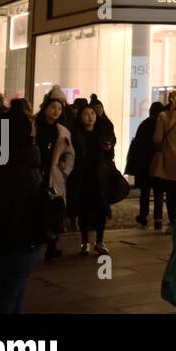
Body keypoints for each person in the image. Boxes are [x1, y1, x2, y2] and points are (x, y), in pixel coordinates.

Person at [0, 99, 44, 313]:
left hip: (14, 247)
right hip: (23, 246)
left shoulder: (15, 171)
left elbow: (7, 214)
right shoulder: (24, 162)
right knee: (10, 299)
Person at [68, 105, 115, 256]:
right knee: (84, 210)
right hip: (83, 176)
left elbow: (109, 155)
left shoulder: (102, 132)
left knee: (101, 209)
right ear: (80, 117)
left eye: (92, 113)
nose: (90, 116)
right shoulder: (75, 134)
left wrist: (108, 149)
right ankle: (84, 241)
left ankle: (100, 241)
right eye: (86, 114)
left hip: (100, 177)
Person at [34, 88, 75, 261]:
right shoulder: (35, 126)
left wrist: (64, 165)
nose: (57, 111)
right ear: (45, 108)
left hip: (54, 174)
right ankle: (38, 243)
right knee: (38, 208)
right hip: (37, 171)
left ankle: (52, 245)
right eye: (53, 108)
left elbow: (70, 152)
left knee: (55, 208)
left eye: (59, 108)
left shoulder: (63, 130)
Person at [150, 92, 176, 228]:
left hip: (168, 159)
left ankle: (173, 220)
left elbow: (157, 139)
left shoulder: (163, 116)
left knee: (171, 194)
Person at [125, 102, 164, 229]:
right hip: (158, 163)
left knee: (145, 193)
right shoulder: (162, 125)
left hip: (144, 165)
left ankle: (143, 216)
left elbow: (137, 145)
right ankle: (158, 219)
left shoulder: (144, 124)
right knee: (158, 192)